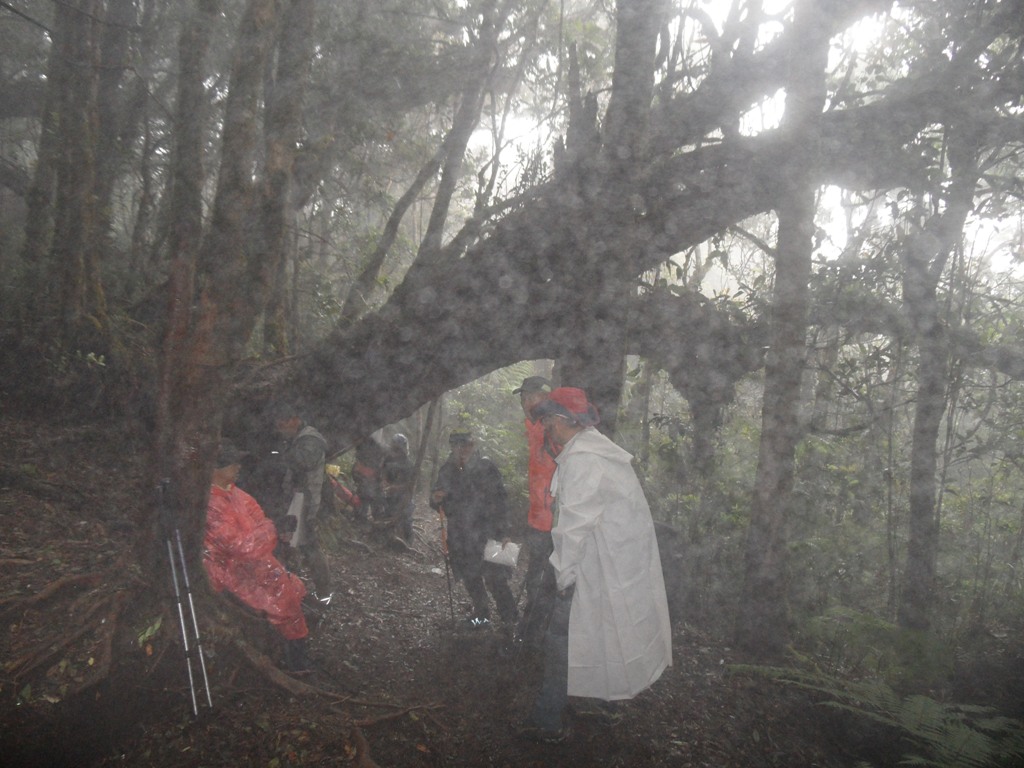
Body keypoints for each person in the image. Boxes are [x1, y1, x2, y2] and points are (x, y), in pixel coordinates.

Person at [520, 387, 672, 743]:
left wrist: (563, 576)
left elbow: (574, 526)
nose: (546, 428)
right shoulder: (595, 451)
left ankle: (548, 721)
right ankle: (601, 702)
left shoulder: (586, 460)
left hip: (595, 567)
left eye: (548, 420)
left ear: (562, 420)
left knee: (559, 639)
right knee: (600, 631)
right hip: (609, 567)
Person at [204, 442, 311, 673]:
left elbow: (258, 523)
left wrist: (267, 530)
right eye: (232, 463)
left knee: (293, 588)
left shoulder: (236, 494)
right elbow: (241, 546)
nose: (238, 466)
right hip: (228, 572)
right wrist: (272, 529)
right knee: (283, 599)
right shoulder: (210, 504)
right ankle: (295, 662)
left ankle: (290, 653)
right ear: (214, 468)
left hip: (253, 563)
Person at [430, 431, 518, 629]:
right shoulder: (447, 469)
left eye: (466, 445)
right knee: (471, 578)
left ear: (473, 446)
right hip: (460, 535)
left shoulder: (487, 467)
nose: (462, 450)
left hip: (488, 532)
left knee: (496, 579)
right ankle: (481, 617)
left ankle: (510, 620)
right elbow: (437, 498)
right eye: (458, 445)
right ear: (452, 447)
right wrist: (436, 499)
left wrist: (504, 531)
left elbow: (501, 500)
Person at [511, 376, 558, 651]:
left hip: (552, 523)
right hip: (539, 521)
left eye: (529, 396)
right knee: (536, 580)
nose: (524, 402)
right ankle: (534, 635)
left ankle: (533, 638)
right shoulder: (534, 425)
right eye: (523, 397)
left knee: (542, 582)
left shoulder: (551, 426)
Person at [273, 403, 331, 600]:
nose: (281, 428)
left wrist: (279, 455)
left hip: (305, 502)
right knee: (291, 544)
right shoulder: (295, 439)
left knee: (309, 547)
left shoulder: (310, 440)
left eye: (284, 423)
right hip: (295, 500)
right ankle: (290, 589)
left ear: (295, 419)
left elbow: (303, 462)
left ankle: (324, 595)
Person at [381, 433, 415, 543]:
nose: (396, 452)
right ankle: (387, 539)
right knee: (386, 515)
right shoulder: (388, 459)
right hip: (389, 495)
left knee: (406, 518)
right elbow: (383, 472)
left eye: (398, 449)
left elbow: (410, 485)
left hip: (403, 496)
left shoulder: (408, 464)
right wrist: (385, 483)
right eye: (394, 448)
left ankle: (408, 541)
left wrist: (396, 488)